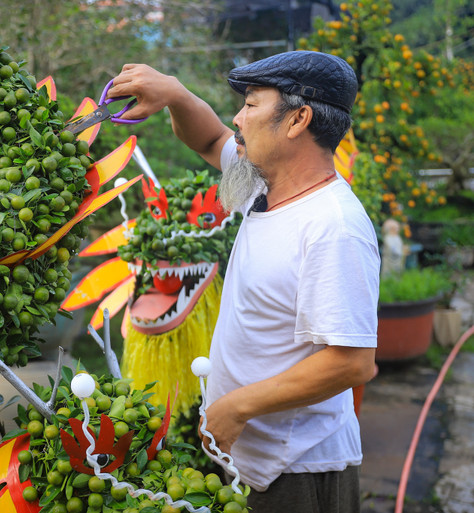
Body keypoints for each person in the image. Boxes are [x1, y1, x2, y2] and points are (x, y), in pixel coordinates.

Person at [108, 51, 379, 512]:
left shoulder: (332, 227)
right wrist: (173, 92)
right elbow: (210, 137)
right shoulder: (265, 186)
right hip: (253, 460)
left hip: (298, 471)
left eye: (252, 105)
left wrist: (236, 408)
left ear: (298, 120)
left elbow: (351, 363)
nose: (238, 117)